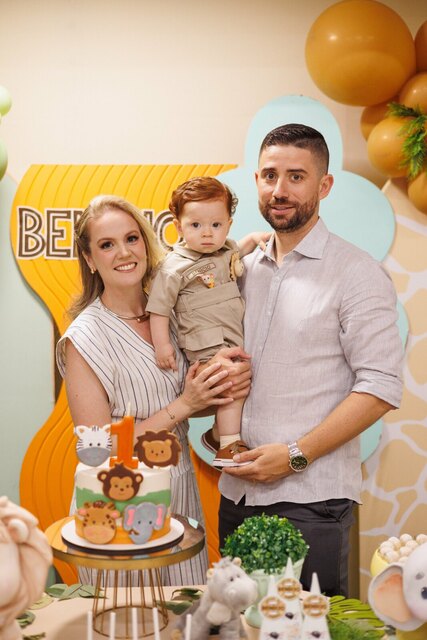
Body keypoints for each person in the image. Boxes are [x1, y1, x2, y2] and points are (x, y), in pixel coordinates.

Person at [218, 124, 403, 597]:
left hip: (311, 500)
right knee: (239, 626)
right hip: (236, 495)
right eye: (268, 175)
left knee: (312, 630)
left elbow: (380, 386)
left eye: (296, 176)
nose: (279, 190)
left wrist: (295, 456)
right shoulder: (241, 270)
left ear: (324, 186)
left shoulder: (358, 274)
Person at [56, 194, 251, 586]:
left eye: (131, 238)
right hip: (117, 505)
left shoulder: (171, 314)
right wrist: (186, 403)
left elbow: (181, 402)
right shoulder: (85, 338)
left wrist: (220, 388)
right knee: (130, 621)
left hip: (178, 494)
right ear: (90, 260)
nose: (124, 252)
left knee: (182, 617)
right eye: (107, 245)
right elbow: (97, 447)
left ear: (146, 242)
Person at [147, 176, 269, 468]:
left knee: (237, 385)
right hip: (204, 341)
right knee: (231, 386)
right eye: (195, 225)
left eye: (216, 225)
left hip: (231, 336)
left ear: (227, 224)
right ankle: (227, 446)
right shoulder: (174, 267)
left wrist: (253, 239)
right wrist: (162, 346)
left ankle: (218, 436)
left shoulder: (225, 249)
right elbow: (159, 309)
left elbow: (238, 251)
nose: (207, 234)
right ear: (178, 227)